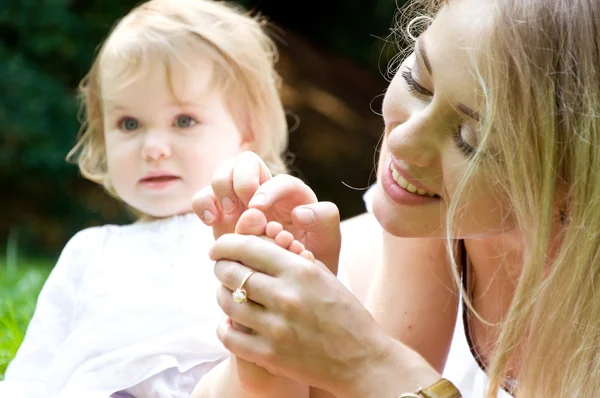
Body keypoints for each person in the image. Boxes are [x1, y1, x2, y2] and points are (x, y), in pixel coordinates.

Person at [192, 0, 600, 396]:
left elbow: (368, 374)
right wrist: (267, 336)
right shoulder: (434, 216)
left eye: (471, 140)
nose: (403, 141)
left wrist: (365, 361)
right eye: (419, 81)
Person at [0, 0, 305, 396]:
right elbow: (34, 374)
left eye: (184, 120)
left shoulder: (264, 238)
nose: (153, 147)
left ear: (246, 132)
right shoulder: (90, 251)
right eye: (129, 123)